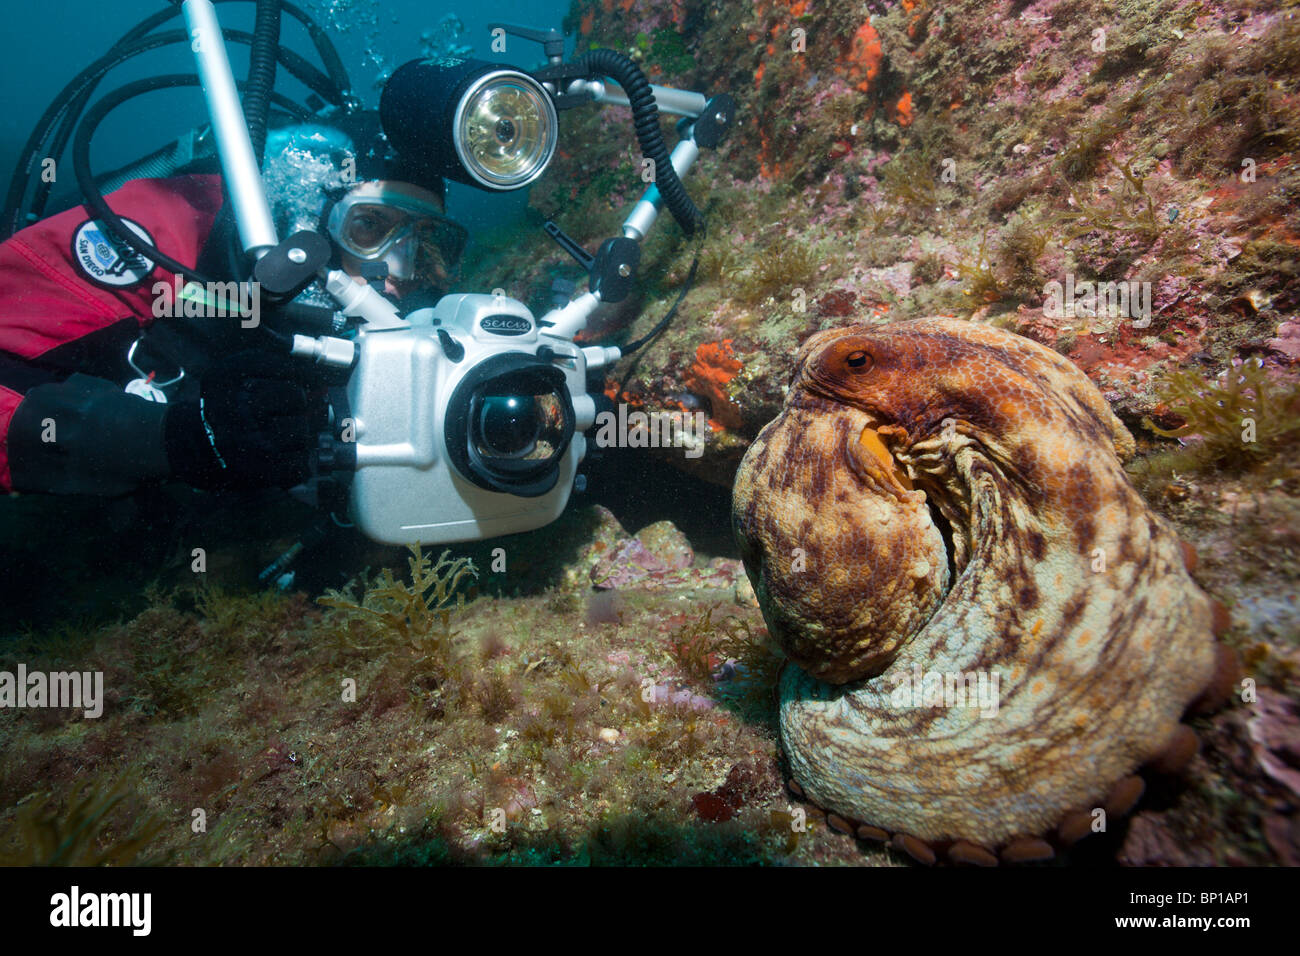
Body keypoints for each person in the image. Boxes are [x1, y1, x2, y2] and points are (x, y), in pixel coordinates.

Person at [0, 109, 465, 498]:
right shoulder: (159, 232)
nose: (400, 271)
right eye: (369, 228)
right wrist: (168, 439)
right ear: (308, 216)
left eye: (428, 244)